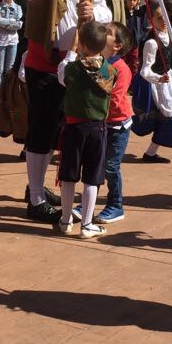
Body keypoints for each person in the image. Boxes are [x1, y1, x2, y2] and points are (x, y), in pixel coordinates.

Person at [22, 0, 110, 222]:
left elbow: (105, 16)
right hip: (44, 67)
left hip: (74, 71)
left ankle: (37, 185)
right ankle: (34, 198)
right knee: (41, 132)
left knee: (62, 133)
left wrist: (94, 16)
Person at [54, 21, 116, 238]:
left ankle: (65, 219)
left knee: (69, 175)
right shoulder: (110, 71)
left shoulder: (73, 69)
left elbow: (62, 75)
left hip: (74, 127)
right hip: (97, 129)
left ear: (82, 44)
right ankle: (87, 224)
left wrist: (72, 52)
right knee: (92, 177)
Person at [132, 0, 172, 163]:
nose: (164, 21)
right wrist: (159, 79)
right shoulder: (151, 42)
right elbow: (145, 70)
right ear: (151, 19)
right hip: (156, 84)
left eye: (165, 17)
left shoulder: (169, 34)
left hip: (169, 80)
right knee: (163, 117)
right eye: (159, 18)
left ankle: (151, 152)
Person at [97, 22, 134, 223]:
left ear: (117, 45)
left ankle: (115, 205)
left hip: (118, 125)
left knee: (111, 166)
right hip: (103, 122)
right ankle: (89, 201)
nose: (102, 33)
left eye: (108, 33)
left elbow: (114, 99)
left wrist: (92, 107)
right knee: (97, 164)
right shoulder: (103, 63)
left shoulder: (121, 68)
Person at [0, 0, 23, 91]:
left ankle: (7, 93)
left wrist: (5, 24)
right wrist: (11, 22)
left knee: (9, 68)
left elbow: (19, 24)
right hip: (0, 39)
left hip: (13, 40)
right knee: (0, 68)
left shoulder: (18, 8)